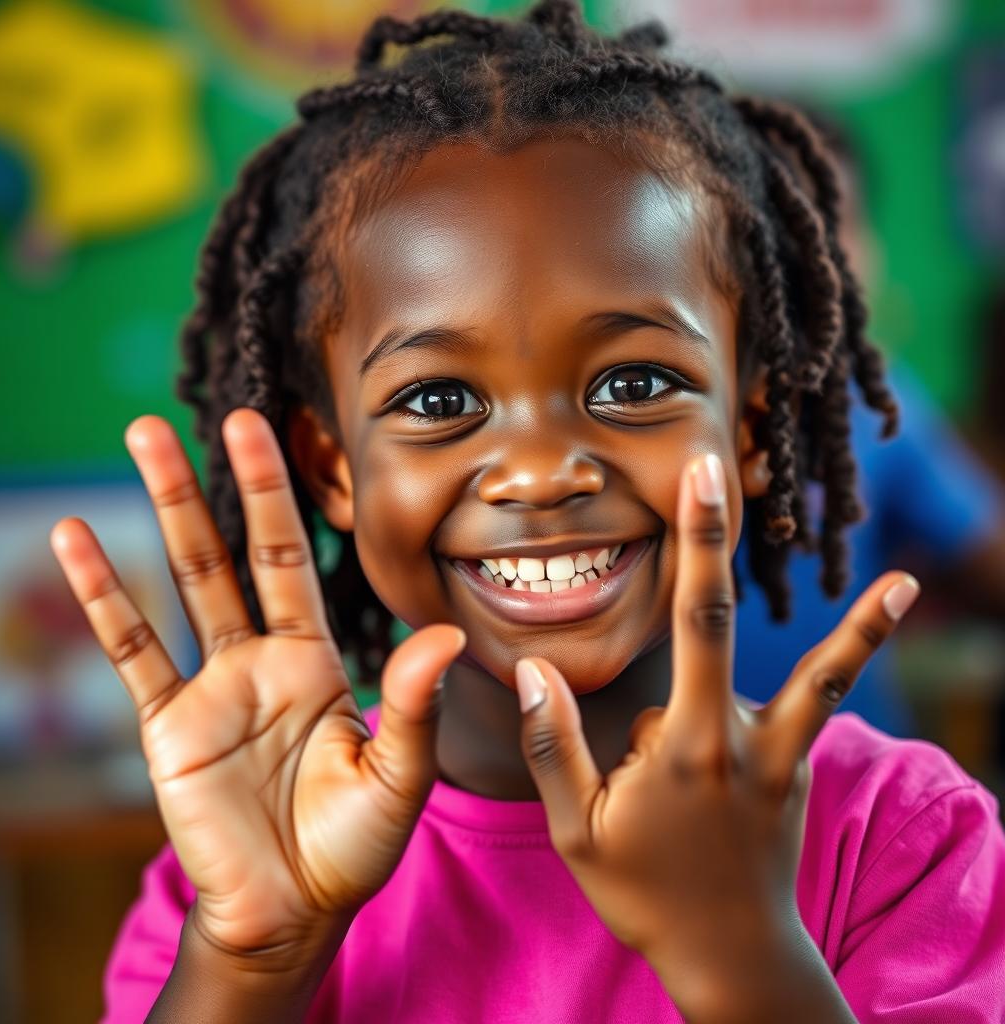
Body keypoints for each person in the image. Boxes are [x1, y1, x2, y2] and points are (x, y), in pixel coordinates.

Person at [49, 3, 1005, 1021]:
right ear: (331, 469)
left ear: (747, 432)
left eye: (633, 383)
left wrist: (744, 954)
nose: (542, 470)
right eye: (438, 401)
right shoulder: (247, 864)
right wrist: (251, 956)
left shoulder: (902, 837)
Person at [732, 113, 1005, 736]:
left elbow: (988, 557)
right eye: (773, 228)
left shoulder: (876, 403)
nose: (811, 255)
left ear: (869, 247)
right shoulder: (658, 401)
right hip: (670, 787)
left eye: (836, 221)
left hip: (856, 788)